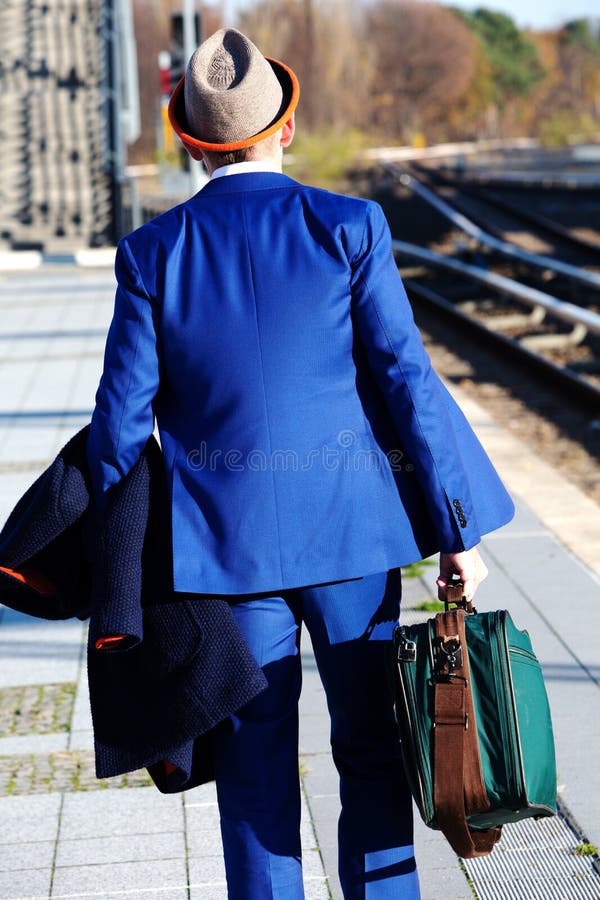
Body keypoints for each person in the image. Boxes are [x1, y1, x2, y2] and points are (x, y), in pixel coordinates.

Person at [87, 27, 514, 900]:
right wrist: (455, 528)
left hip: (223, 559)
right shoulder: (349, 226)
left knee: (254, 775)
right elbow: (406, 379)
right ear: (284, 126)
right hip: (356, 542)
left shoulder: (150, 254)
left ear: (192, 144)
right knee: (374, 752)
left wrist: (120, 569)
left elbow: (118, 435)